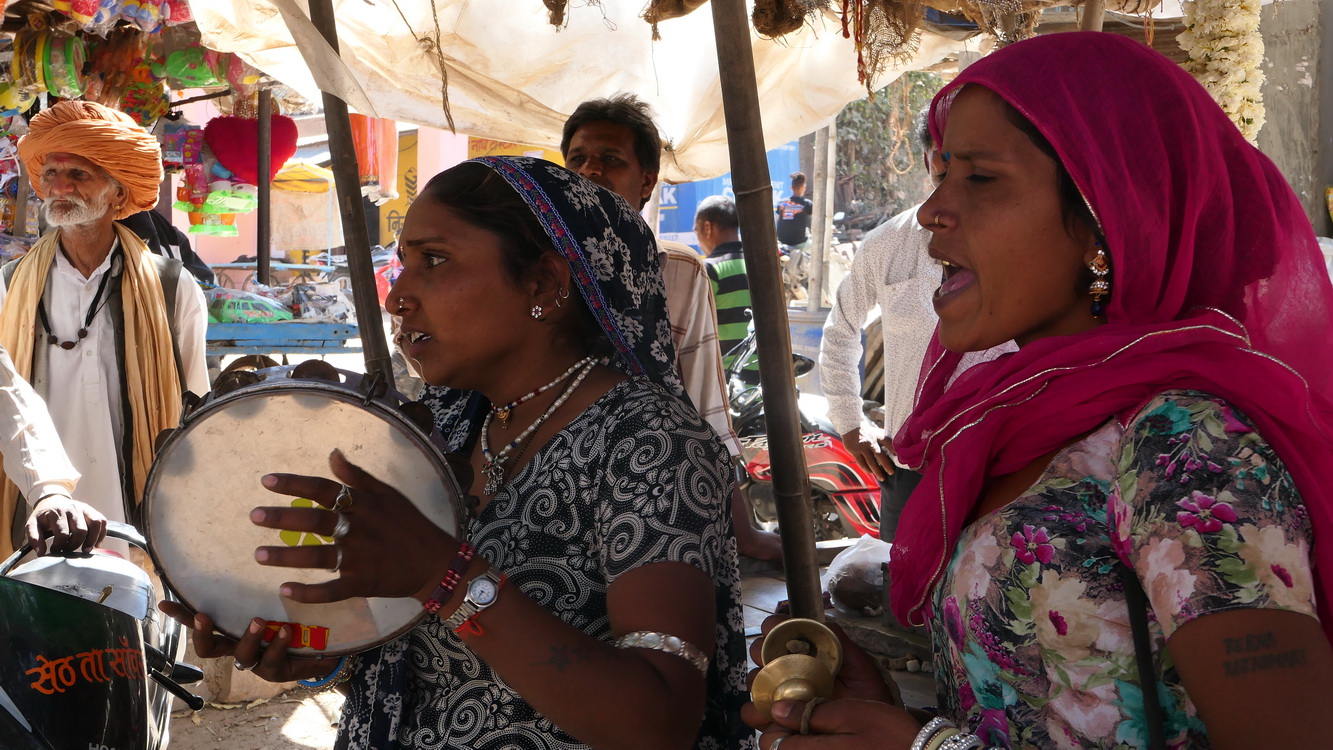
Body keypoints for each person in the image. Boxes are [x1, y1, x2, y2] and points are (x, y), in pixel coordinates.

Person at [746, 32, 1333, 749]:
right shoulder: (1017, 420)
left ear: (1102, 221)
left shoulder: (1184, 442)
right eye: (941, 173)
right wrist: (899, 715)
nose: (931, 210)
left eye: (979, 177)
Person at [165, 156, 754, 750]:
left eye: (435, 261)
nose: (398, 297)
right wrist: (316, 648)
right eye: (404, 265)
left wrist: (442, 576)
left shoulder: (650, 443)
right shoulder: (448, 423)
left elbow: (658, 719)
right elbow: (415, 643)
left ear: (544, 285)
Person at [560, 94, 780, 561]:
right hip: (548, 489)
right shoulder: (536, 268)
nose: (590, 170)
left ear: (647, 180)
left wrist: (744, 532)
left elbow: (703, 407)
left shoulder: (678, 273)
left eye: (611, 159)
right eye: (577, 159)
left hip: (644, 495)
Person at [0, 101, 209, 554]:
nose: (59, 187)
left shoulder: (172, 286)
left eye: (78, 174)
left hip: (135, 506)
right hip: (37, 503)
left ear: (118, 193)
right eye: (51, 174)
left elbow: (194, 408)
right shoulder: (10, 284)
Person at [694, 196, 756, 383]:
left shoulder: (710, 269)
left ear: (707, 227)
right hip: (765, 381)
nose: (698, 240)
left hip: (727, 383)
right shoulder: (760, 264)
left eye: (696, 231)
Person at [774, 172, 812, 249]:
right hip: (800, 243)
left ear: (791, 188)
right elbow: (817, 222)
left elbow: (776, 220)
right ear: (804, 188)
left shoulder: (781, 203)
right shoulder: (807, 204)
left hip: (781, 242)